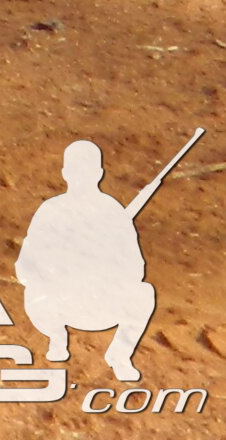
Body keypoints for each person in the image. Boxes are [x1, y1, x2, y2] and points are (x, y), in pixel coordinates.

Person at [18, 137, 167, 382]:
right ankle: (57, 338)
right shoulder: (56, 210)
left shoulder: (107, 212)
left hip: (90, 302)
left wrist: (100, 265)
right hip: (62, 302)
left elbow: (134, 269)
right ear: (99, 173)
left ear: (66, 173)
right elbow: (26, 267)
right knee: (142, 293)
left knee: (143, 292)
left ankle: (117, 355)